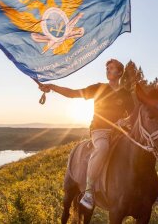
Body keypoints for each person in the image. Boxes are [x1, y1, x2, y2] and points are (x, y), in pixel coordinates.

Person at [38, 59, 134, 210]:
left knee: (138, 146)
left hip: (120, 132)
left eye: (111, 68)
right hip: (100, 130)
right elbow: (73, 93)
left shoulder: (125, 94)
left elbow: (135, 115)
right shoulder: (99, 88)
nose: (108, 70)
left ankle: (148, 188)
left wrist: (125, 120)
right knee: (102, 148)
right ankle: (89, 191)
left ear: (120, 72)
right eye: (107, 68)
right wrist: (52, 87)